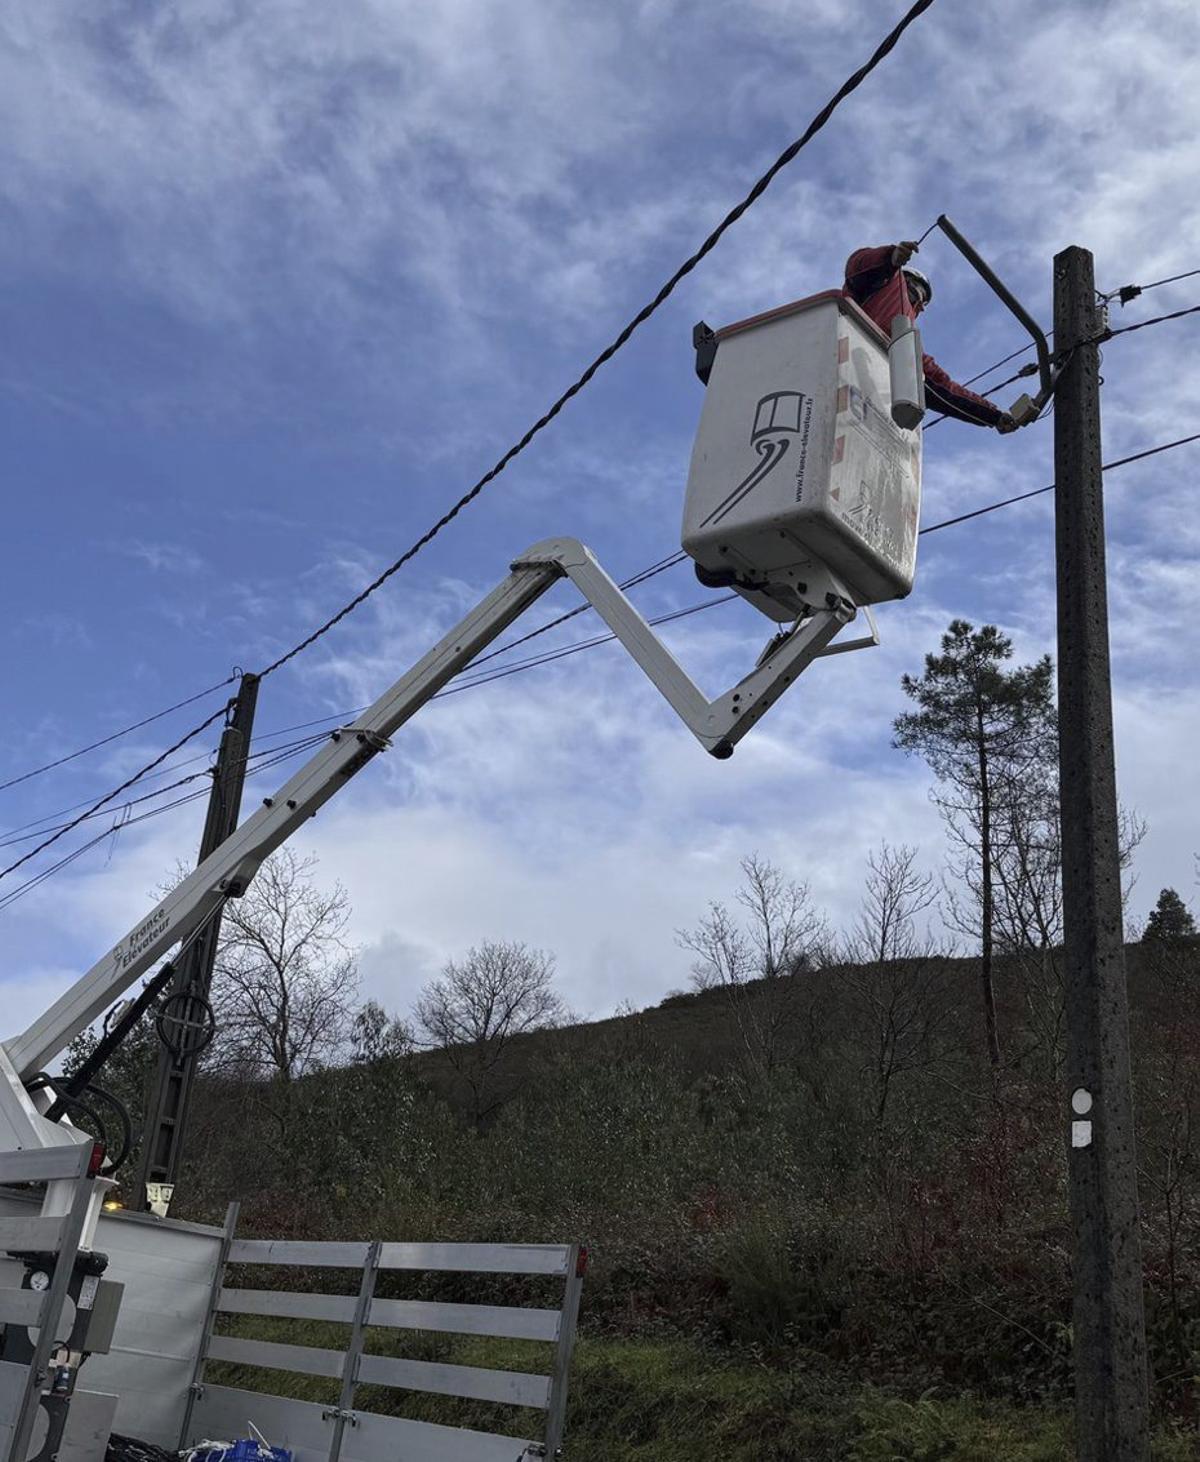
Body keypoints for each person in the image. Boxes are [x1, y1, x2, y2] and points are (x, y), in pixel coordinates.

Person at [843, 241, 1017, 432]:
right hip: (844, 353)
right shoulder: (884, 282)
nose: (922, 306)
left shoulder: (907, 347)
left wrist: (993, 415)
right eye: (921, 294)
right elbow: (856, 266)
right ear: (907, 280)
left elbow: (943, 388)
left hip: (864, 394)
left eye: (924, 301)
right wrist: (890, 257)